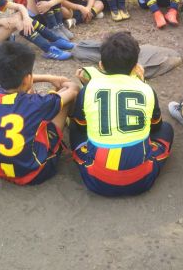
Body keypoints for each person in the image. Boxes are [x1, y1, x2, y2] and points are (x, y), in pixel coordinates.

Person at [69, 32, 174, 196]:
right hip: (141, 180)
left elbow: (82, 127)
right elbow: (156, 127)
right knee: (166, 128)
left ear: (101, 65)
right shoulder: (146, 89)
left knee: (75, 128)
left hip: (96, 181)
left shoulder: (89, 88)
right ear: (136, 67)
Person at [0, 41, 79, 186]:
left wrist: (49, 78)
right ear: (27, 78)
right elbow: (73, 89)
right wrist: (63, 83)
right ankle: (70, 128)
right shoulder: (38, 103)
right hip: (33, 174)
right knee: (62, 100)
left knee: (32, 99)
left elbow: (22, 83)